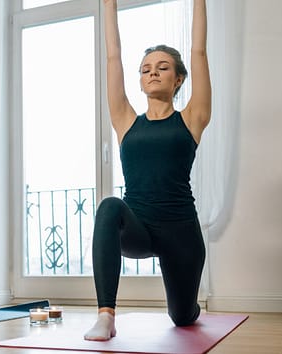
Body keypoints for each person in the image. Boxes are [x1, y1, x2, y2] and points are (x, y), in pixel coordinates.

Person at [84, 0, 211, 341]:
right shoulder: (126, 121)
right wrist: (107, 5)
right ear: (140, 81)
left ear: (179, 78)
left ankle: (192, 306)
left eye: (163, 67)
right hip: (138, 227)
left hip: (181, 232)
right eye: (146, 69)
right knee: (109, 206)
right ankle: (106, 316)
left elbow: (198, 50)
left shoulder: (191, 118)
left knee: (182, 318)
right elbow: (113, 56)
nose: (152, 72)